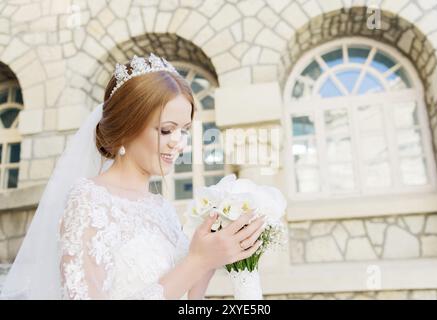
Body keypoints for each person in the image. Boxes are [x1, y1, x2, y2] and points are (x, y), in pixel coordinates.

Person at [1, 53, 265, 300]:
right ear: (128, 128)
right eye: (166, 130)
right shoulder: (88, 201)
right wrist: (197, 260)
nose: (178, 143)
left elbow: (188, 297)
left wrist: (216, 254)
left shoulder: (162, 209)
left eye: (184, 130)